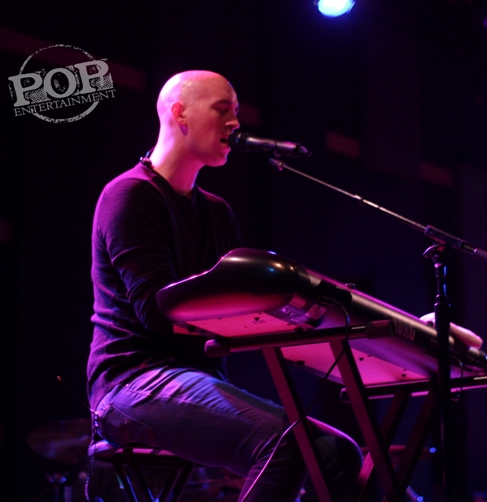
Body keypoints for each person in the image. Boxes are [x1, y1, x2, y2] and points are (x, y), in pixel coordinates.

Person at [87, 70, 363, 501]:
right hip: (132, 385)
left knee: (336, 453)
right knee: (287, 445)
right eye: (222, 110)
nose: (235, 123)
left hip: (194, 381)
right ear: (180, 114)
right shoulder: (130, 195)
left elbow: (236, 314)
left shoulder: (217, 213)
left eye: (236, 112)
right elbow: (157, 315)